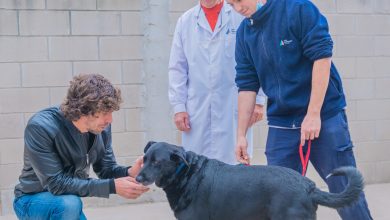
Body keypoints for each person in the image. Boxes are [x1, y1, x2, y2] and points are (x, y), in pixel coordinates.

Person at [228, 0, 373, 219]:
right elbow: (247, 85)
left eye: (238, 0)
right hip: (282, 123)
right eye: (231, 4)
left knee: (344, 190)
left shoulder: (297, 8)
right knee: (280, 197)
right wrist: (240, 135)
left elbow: (322, 57)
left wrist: (313, 114)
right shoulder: (244, 34)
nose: (237, 9)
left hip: (323, 117)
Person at [13, 74, 149, 220]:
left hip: (66, 201)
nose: (110, 119)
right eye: (104, 113)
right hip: (32, 200)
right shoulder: (41, 127)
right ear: (84, 109)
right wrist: (112, 186)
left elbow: (106, 170)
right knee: (70, 204)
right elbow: (56, 183)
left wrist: (130, 172)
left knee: (70, 204)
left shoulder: (100, 128)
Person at [169, 0, 266, 164]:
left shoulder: (239, 15)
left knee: (234, 168)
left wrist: (259, 101)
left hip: (234, 105)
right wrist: (179, 108)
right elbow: (177, 68)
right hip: (197, 110)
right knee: (196, 169)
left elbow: (260, 58)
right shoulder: (185, 21)